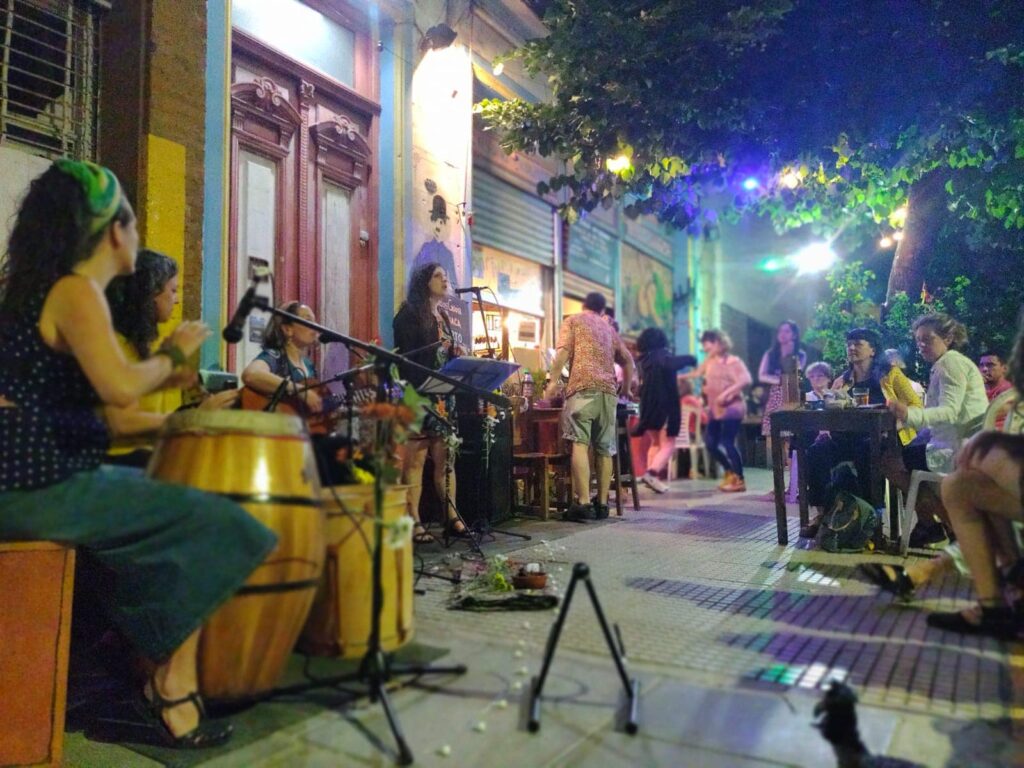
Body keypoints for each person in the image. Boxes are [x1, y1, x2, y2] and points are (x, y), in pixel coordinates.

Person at [0, 160, 276, 748]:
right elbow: (119, 389)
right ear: (106, 230)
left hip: (34, 479)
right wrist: (175, 358)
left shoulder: (34, 294)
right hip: (39, 485)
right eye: (127, 217)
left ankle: (147, 672)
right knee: (227, 525)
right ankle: (171, 687)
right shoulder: (74, 291)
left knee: (192, 526)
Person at [104, 249, 237, 466]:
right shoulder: (112, 345)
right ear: (150, 293)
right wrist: (194, 419)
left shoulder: (144, 347)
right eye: (173, 290)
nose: (177, 300)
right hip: (116, 464)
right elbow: (120, 424)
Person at [883, 313, 988, 549]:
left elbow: (949, 412)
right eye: (918, 340)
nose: (921, 345)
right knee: (904, 460)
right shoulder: (949, 362)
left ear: (947, 338)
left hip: (957, 448)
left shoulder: (950, 364)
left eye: (927, 339)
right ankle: (937, 527)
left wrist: (909, 415)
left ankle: (943, 528)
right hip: (960, 442)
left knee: (890, 462)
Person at [544, 291, 634, 520]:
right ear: (602, 310)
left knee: (580, 443)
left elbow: (563, 352)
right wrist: (625, 389)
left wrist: (552, 382)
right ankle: (602, 505)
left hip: (582, 388)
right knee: (605, 448)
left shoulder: (573, 321)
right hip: (608, 393)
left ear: (584, 305)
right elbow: (628, 361)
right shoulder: (608, 328)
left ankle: (583, 502)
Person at [393, 262, 465, 543]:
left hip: (444, 397)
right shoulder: (409, 314)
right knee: (416, 461)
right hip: (419, 394)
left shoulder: (443, 316)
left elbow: (443, 356)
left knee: (446, 461)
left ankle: (452, 517)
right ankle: (414, 521)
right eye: (438, 276)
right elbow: (408, 358)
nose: (445, 280)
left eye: (446, 276)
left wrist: (455, 353)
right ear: (425, 282)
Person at [801, 329, 889, 538]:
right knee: (816, 450)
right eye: (849, 344)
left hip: (875, 438)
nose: (851, 348)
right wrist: (825, 427)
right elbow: (831, 409)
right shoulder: (843, 380)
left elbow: (908, 405)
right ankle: (822, 513)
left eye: (857, 344)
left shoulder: (886, 377)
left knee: (867, 450)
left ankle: (871, 517)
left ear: (873, 350)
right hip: (844, 438)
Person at [681, 329, 751, 492]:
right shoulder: (710, 360)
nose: (706, 349)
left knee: (727, 441)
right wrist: (678, 377)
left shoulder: (733, 361)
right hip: (715, 409)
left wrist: (726, 394)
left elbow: (745, 380)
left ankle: (739, 479)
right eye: (704, 346)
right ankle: (730, 472)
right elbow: (697, 373)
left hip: (732, 407)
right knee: (710, 443)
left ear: (719, 343)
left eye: (708, 346)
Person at [632, 327, 697, 493]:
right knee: (669, 444)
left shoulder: (642, 362)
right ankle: (652, 474)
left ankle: (652, 479)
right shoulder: (662, 356)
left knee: (655, 443)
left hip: (648, 408)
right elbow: (671, 363)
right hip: (665, 407)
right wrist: (691, 359)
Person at [758, 320, 806, 452]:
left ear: (794, 335)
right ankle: (774, 461)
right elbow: (762, 375)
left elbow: (797, 375)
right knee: (771, 434)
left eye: (787, 331)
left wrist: (790, 355)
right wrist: (778, 380)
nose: (782, 334)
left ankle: (789, 462)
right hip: (775, 395)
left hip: (791, 395)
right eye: (780, 331)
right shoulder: (770, 354)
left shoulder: (800, 354)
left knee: (789, 435)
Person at [978, 349, 1013, 430]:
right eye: (981, 365)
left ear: (1004, 368)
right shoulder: (978, 389)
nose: (984, 369)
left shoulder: (1009, 391)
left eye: (990, 365)